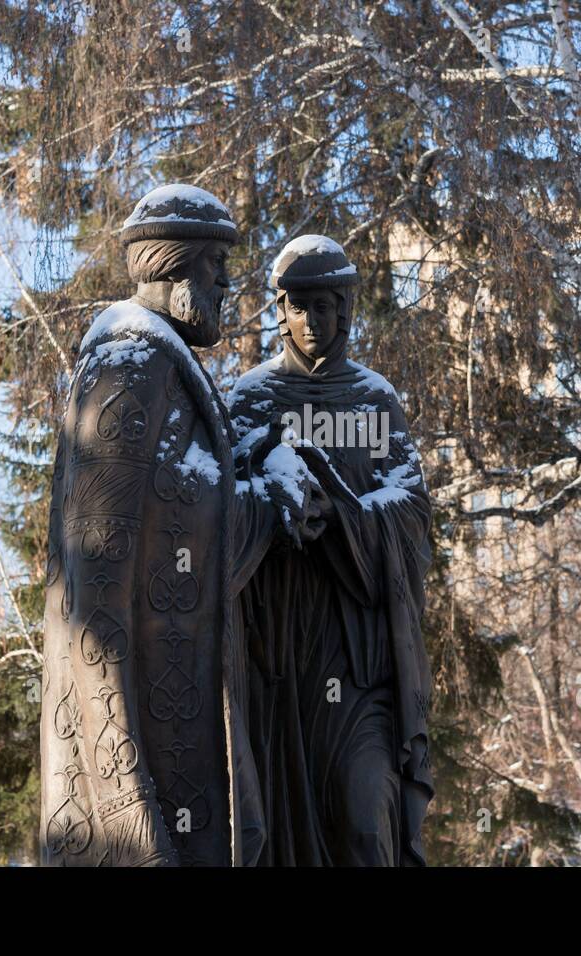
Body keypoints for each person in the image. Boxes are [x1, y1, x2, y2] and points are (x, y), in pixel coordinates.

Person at [40, 186, 322, 866]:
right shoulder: (128, 368)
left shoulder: (166, 369)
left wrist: (265, 494)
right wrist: (122, 793)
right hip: (141, 752)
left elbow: (186, 522)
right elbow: (96, 578)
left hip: (181, 723)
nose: (226, 282)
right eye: (214, 265)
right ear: (175, 267)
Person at [228, 235, 434, 865]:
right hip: (280, 656)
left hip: (358, 656)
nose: (313, 320)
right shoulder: (251, 399)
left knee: (368, 822)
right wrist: (275, 504)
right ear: (281, 312)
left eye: (326, 305)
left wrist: (341, 516)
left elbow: (414, 516)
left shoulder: (375, 401)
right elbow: (221, 510)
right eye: (299, 306)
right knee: (281, 834)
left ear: (347, 309)